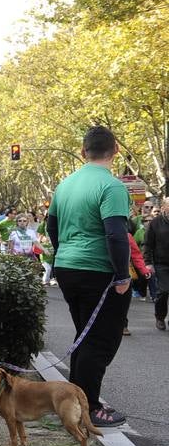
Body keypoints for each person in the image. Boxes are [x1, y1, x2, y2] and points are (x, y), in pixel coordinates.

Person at [46, 125, 133, 428]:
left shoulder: (64, 185)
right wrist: (122, 276)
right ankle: (89, 407)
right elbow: (116, 234)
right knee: (100, 341)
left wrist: (64, 254)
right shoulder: (112, 187)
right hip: (99, 271)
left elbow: (51, 227)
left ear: (84, 152)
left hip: (68, 268)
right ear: (116, 150)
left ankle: (71, 402)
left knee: (85, 334)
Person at [143, 202, 169, 331]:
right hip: (161, 263)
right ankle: (160, 316)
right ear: (164, 207)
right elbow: (147, 244)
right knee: (163, 291)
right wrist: (147, 262)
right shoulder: (155, 223)